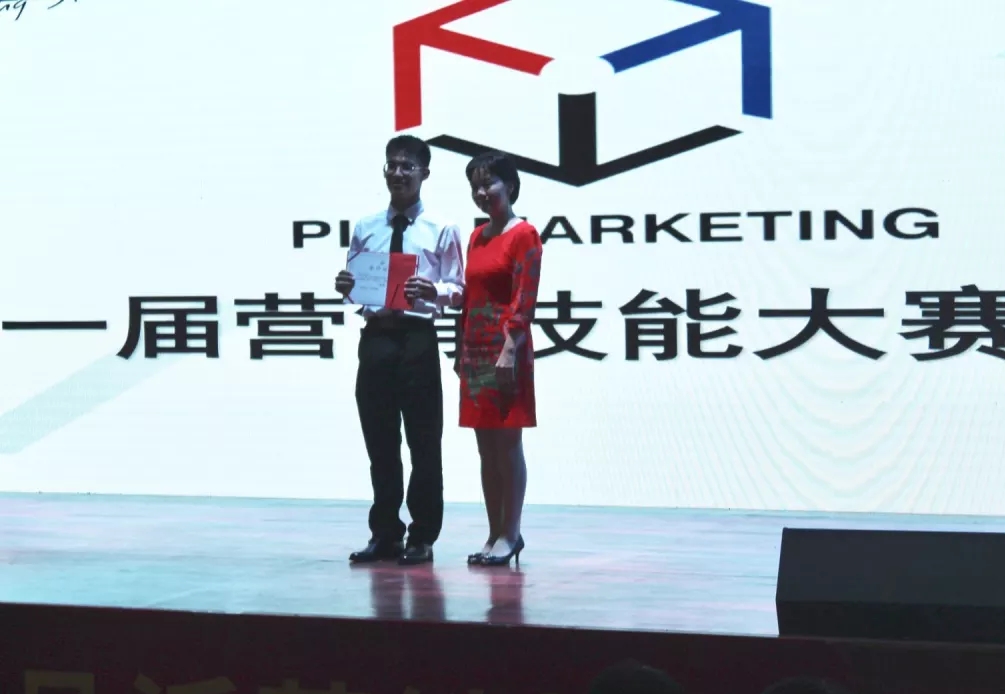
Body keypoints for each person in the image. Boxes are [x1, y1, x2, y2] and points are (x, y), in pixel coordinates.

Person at [335, 135, 464, 566]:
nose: (398, 172)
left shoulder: (441, 228)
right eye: (392, 164)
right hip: (376, 339)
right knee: (380, 441)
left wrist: (434, 290)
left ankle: (422, 535)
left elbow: (459, 290)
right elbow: (356, 287)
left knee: (424, 442)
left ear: (425, 173)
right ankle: (385, 532)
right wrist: (347, 287)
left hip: (417, 339)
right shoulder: (365, 226)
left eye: (408, 166)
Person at [455, 151, 542, 567]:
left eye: (488, 183)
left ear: (510, 185)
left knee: (508, 446)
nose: (481, 192)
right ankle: (493, 533)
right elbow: (470, 299)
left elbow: (525, 297)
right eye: (475, 186)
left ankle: (512, 533)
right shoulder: (476, 236)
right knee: (485, 450)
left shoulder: (524, 234)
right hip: (475, 352)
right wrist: (460, 349)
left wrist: (510, 348)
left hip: (508, 351)